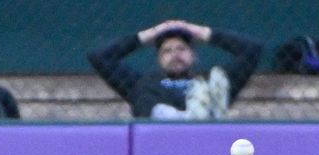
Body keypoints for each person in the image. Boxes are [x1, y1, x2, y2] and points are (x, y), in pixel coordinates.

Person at [88, 20, 262, 120]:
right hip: (158, 141)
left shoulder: (213, 79)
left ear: (193, 55)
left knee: (216, 86)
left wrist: (203, 33)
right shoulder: (142, 83)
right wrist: (148, 35)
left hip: (205, 140)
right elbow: (101, 58)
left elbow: (252, 51)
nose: (175, 54)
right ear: (159, 59)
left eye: (181, 49)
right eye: (167, 51)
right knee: (146, 100)